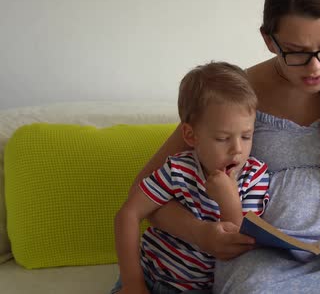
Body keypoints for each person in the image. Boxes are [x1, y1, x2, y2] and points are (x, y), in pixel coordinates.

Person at [133, 0, 320, 294]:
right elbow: (146, 194)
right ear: (268, 40)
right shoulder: (238, 93)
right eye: (297, 52)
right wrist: (200, 234)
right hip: (258, 252)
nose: (315, 68)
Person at [113, 62, 270, 293]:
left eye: (246, 136)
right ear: (190, 135)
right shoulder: (178, 169)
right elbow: (128, 214)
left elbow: (239, 245)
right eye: (222, 138)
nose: (237, 149)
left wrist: (229, 201)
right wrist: (132, 283)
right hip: (149, 276)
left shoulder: (254, 177)